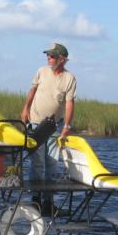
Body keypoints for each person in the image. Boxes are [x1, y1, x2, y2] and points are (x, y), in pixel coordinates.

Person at [20, 43, 77, 214]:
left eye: (52, 56)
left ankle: (48, 202)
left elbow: (69, 103)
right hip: (36, 123)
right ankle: (35, 200)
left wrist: (67, 125)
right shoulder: (41, 71)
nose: (49, 58)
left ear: (62, 59)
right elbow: (32, 91)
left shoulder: (69, 79)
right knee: (37, 163)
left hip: (54, 126)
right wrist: (25, 108)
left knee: (52, 163)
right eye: (48, 55)